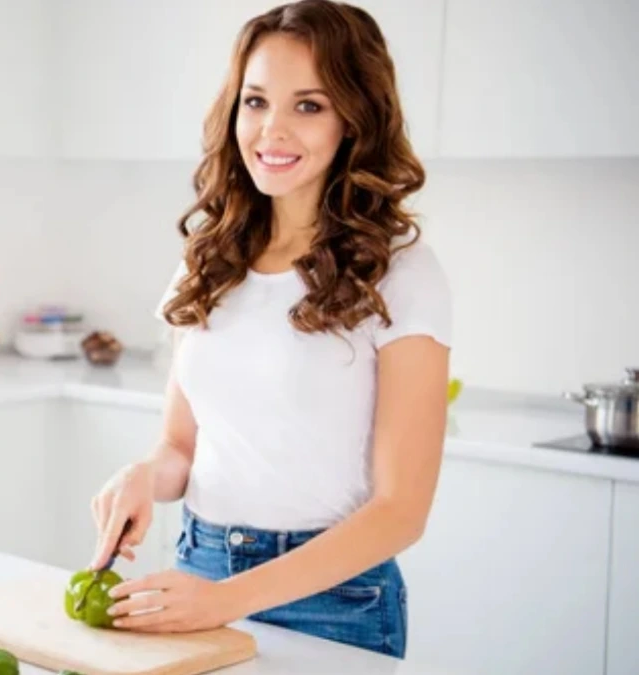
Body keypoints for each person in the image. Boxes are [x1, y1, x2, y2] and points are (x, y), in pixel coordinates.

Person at [87, 0, 451, 660]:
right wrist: (145, 475)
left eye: (308, 105)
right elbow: (180, 445)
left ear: (354, 119)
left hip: (336, 600)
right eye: (255, 101)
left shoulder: (401, 271)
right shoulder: (208, 259)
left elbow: (402, 509)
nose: (271, 129)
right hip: (197, 567)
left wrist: (227, 599)